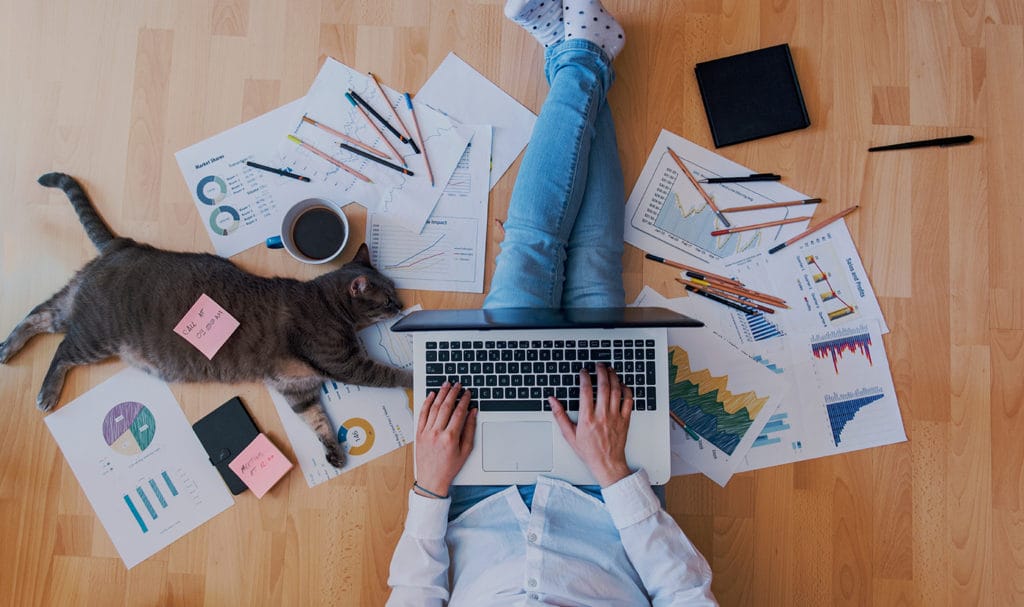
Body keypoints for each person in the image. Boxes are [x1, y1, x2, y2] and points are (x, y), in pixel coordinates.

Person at [387, 1, 716, 604]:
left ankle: (582, 54)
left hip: (471, 491)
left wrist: (430, 489)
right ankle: (581, 55)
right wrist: (615, 473)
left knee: (533, 254)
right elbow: (685, 592)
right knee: (588, 266)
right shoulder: (610, 481)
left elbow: (414, 591)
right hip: (605, 498)